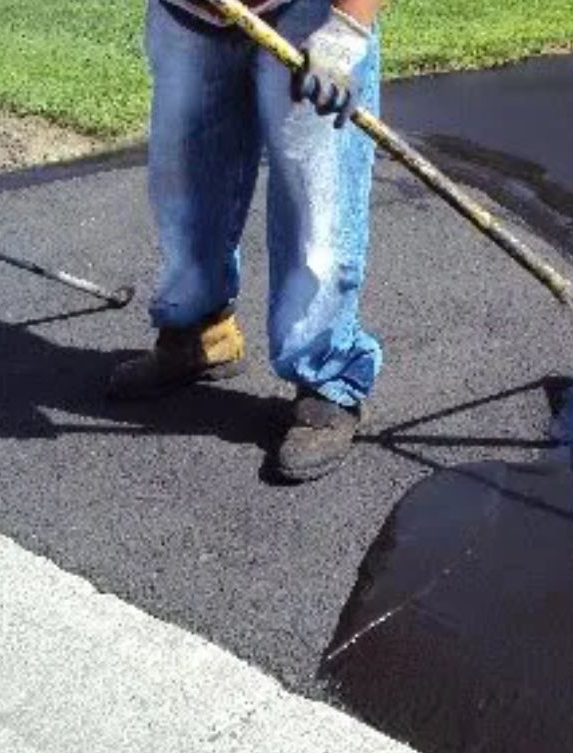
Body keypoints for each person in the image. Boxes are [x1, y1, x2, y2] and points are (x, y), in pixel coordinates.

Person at [109, 0, 385, 482]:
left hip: (311, 14)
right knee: (186, 189)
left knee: (317, 208)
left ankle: (327, 377)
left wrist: (346, 29)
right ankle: (200, 335)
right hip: (188, 14)